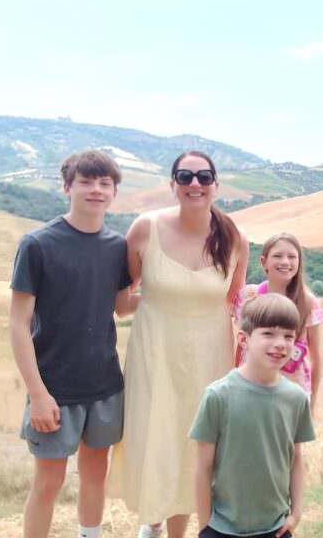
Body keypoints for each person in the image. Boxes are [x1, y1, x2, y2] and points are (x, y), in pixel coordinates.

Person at [108, 151, 249, 538]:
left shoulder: (235, 238)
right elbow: (123, 303)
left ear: (216, 185)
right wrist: (159, 301)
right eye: (184, 176)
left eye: (204, 177)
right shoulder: (143, 229)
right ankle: (150, 524)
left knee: (197, 443)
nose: (194, 184)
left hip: (211, 359)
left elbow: (233, 302)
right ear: (172, 184)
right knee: (159, 436)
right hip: (156, 354)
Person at [9, 149, 136, 538]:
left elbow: (123, 307)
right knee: (48, 483)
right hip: (54, 388)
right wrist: (38, 394)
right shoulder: (38, 244)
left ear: (114, 192)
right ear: (67, 187)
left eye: (104, 183)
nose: (96, 190)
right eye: (86, 181)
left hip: (105, 384)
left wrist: (179, 291)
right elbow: (17, 323)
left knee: (95, 476)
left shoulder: (118, 247)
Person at [191, 293, 316, 538]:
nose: (280, 343)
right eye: (268, 333)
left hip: (276, 528)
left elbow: (296, 459)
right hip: (222, 528)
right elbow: (202, 468)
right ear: (243, 339)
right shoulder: (218, 396)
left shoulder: (296, 398)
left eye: (289, 336)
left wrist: (296, 513)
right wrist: (205, 525)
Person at [235, 233, 323, 412]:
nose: (285, 262)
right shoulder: (248, 296)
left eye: (292, 257)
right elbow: (240, 346)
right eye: (277, 256)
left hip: (292, 391)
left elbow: (315, 358)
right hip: (249, 387)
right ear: (264, 262)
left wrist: (312, 404)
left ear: (299, 262)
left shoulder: (309, 302)